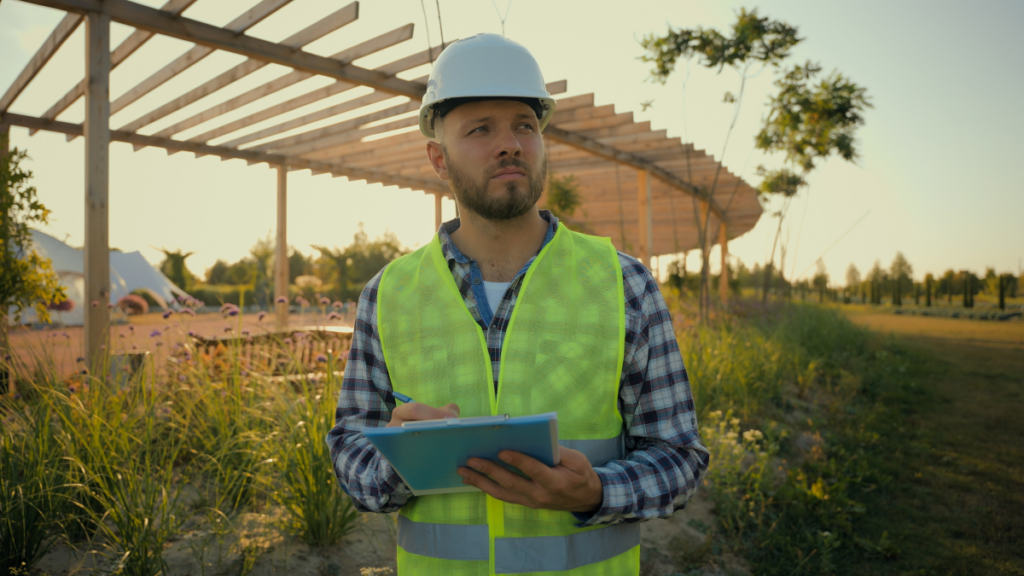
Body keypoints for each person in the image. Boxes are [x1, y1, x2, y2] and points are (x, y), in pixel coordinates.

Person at [327, 33, 709, 575]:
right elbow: (350, 450)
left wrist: (596, 491)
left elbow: (680, 457)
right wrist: (397, 460)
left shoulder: (623, 283)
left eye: (524, 126)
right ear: (438, 158)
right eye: (481, 129)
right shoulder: (388, 294)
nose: (510, 144)